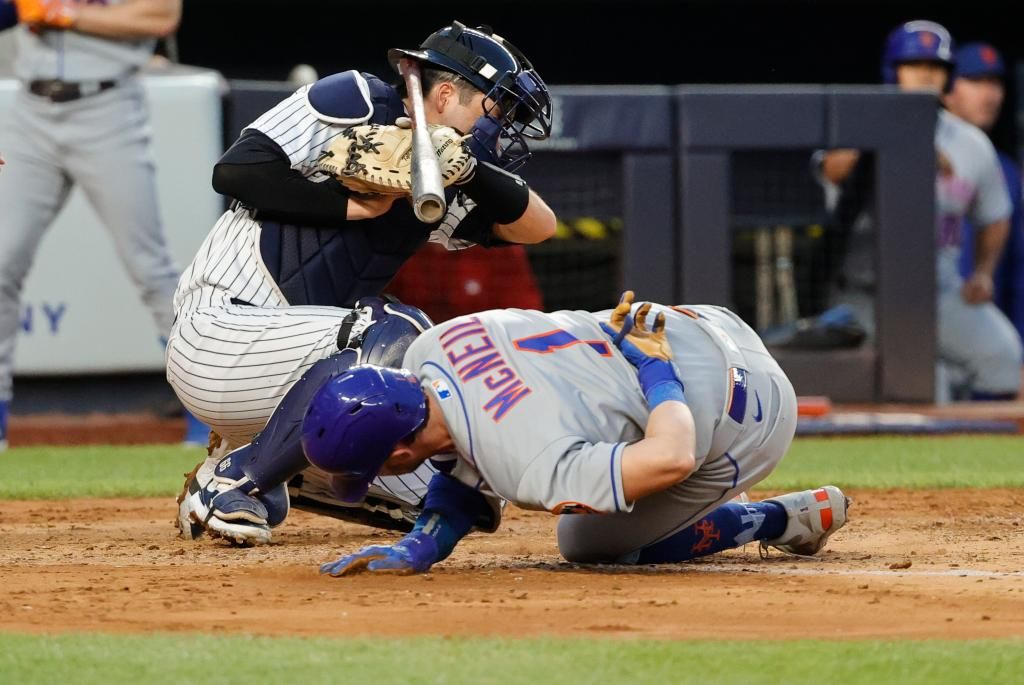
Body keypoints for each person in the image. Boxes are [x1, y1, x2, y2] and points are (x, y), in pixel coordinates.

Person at [171, 21, 556, 543]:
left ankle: (290, 470)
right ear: (446, 92)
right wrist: (349, 203)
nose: (502, 124)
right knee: (398, 332)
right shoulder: (353, 98)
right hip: (221, 332)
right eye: (496, 107)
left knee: (466, 494)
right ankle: (233, 480)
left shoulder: (438, 173)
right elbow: (236, 171)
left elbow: (538, 226)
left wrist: (465, 171)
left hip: (291, 372)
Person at [192, 289, 851, 570]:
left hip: (751, 409)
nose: (377, 480)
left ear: (396, 451)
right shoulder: (433, 348)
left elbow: (671, 455)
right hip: (703, 321)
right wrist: (427, 541)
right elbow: (468, 451)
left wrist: (657, 376)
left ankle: (777, 519)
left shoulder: (529, 464)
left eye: (375, 468)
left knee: (586, 540)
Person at [0, 0, 207, 448]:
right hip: (28, 110)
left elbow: (162, 17)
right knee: (1, 265)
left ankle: (206, 411)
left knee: (149, 267)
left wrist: (66, 15)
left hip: (106, 109)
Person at [820, 20, 1021, 401]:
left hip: (938, 291)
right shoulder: (857, 124)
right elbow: (832, 168)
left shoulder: (970, 143)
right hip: (863, 294)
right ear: (893, 72)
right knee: (917, 384)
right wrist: (897, 146)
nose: (926, 76)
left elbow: (995, 216)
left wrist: (983, 272)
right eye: (915, 67)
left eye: (936, 68)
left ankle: (969, 441)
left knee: (1003, 360)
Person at [944, 42, 1024, 371]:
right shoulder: (904, 151)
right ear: (947, 90)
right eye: (976, 82)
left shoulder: (1006, 170)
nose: (990, 95)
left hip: (976, 323)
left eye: (996, 84)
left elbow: (1018, 269)